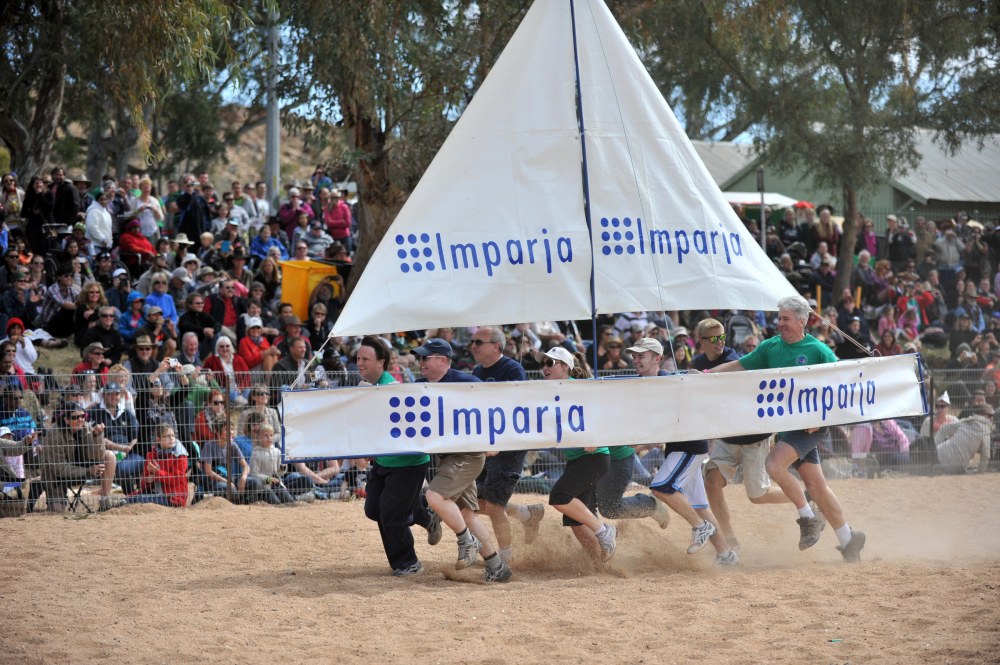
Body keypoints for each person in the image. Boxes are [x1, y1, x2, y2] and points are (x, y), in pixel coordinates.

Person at [707, 295, 867, 563]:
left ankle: (807, 518)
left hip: (811, 426)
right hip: (788, 427)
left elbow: (840, 384)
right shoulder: (771, 347)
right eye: (779, 318)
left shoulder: (819, 350)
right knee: (816, 486)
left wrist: (819, 417)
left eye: (785, 319)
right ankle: (849, 539)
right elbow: (738, 365)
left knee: (774, 465)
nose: (779, 323)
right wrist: (710, 375)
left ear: (802, 321)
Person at [415, 337, 511, 583]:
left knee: (434, 496)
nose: (420, 362)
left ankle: (465, 542)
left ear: (444, 361)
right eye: (419, 357)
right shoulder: (417, 386)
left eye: (426, 357)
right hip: (449, 458)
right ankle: (497, 566)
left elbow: (494, 408)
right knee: (467, 515)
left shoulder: (467, 383)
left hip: (468, 455)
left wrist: (493, 439)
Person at [359, 336, 440, 576]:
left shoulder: (390, 388)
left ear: (380, 362)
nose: (360, 363)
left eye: (365, 359)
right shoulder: (372, 388)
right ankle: (424, 516)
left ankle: (408, 563)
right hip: (385, 460)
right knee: (373, 509)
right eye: (358, 358)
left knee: (391, 514)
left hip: (408, 462)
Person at [468, 326, 545, 562]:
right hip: (485, 445)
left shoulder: (513, 369)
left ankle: (504, 558)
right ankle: (527, 514)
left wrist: (499, 442)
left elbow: (519, 409)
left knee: (491, 504)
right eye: (473, 341)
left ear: (496, 347)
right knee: (476, 503)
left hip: (509, 446)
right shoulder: (477, 371)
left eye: (478, 342)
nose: (473, 346)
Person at [538, 346, 618, 562]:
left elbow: (603, 413)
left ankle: (604, 531)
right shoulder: (550, 392)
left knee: (559, 498)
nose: (544, 367)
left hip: (594, 457)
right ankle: (599, 564)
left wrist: (595, 437)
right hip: (577, 459)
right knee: (575, 521)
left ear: (565, 367)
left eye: (550, 363)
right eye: (543, 363)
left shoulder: (579, 388)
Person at [592, 338, 674, 529]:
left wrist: (640, 443)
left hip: (620, 456)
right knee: (595, 504)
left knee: (609, 508)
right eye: (634, 356)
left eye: (641, 356)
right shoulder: (627, 381)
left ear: (657, 358)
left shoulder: (670, 383)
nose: (635, 360)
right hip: (605, 453)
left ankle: (650, 505)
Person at [40, 402, 125, 512]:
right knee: (56, 511)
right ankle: (37, 486)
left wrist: (96, 436)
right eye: (76, 417)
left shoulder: (86, 427)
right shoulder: (53, 434)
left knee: (109, 455)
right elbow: (59, 469)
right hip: (56, 477)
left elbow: (97, 455)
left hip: (80, 466)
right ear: (66, 420)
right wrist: (87, 470)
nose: (80, 419)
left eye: (82, 416)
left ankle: (105, 500)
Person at [127, 424, 189, 507]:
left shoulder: (180, 455)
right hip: (154, 493)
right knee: (133, 497)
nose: (171, 438)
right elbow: (143, 483)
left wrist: (157, 473)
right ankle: (121, 501)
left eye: (173, 435)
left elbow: (176, 479)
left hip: (172, 497)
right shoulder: (151, 455)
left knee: (138, 500)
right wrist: (148, 481)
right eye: (167, 436)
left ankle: (122, 502)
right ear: (158, 439)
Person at [249, 423, 296, 505]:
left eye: (271, 435)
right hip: (264, 488)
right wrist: (268, 479)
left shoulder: (277, 451)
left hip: (277, 485)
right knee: (276, 502)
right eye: (266, 435)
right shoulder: (255, 453)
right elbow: (254, 474)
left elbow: (280, 473)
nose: (269, 438)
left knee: (289, 500)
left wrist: (283, 466)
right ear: (259, 437)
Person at [934, 409, 992, 473]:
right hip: (955, 466)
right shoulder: (985, 430)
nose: (992, 418)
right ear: (983, 415)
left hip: (939, 453)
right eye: (990, 415)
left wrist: (935, 446)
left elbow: (944, 429)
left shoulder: (965, 421)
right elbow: (986, 455)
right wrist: (980, 471)